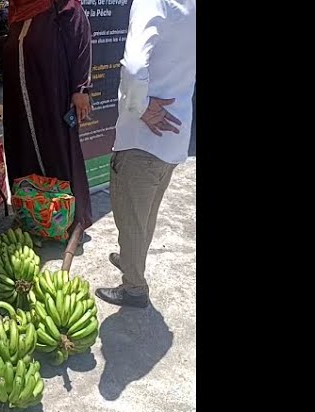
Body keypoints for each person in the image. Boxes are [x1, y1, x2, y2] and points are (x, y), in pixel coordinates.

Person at [96, 0, 196, 308]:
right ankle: (131, 260)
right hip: (174, 131)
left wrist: (140, 106)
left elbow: (135, 65)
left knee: (131, 216)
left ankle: (134, 288)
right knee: (145, 214)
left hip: (144, 138)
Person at [0, 0, 94, 232]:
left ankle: (68, 219)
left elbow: (80, 41)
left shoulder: (62, 5)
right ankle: (33, 215)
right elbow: (12, 46)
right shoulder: (17, 11)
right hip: (20, 104)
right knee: (24, 155)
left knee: (57, 152)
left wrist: (81, 89)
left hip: (52, 96)